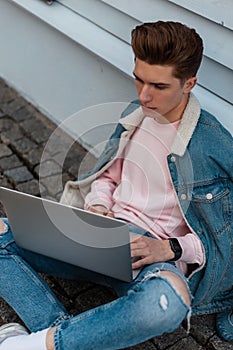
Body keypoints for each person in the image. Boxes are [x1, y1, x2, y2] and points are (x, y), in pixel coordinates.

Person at [0, 20, 232, 350]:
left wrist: (171, 249)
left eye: (159, 86)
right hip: (101, 233)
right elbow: (110, 176)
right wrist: (97, 206)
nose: (144, 95)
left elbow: (228, 229)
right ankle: (53, 335)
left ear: (189, 83)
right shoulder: (134, 115)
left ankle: (26, 345)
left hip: (151, 252)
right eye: (139, 79)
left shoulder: (213, 143)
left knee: (166, 303)